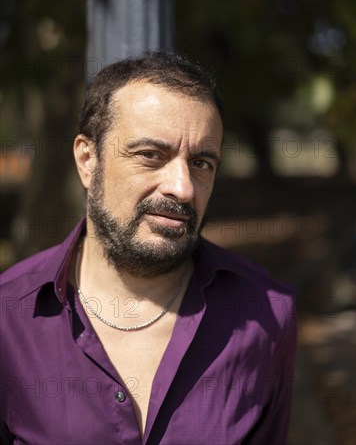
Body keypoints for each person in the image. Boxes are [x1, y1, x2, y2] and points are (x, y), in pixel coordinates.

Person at [0, 51, 297, 444]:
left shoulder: (266, 314)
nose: (183, 187)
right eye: (151, 156)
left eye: (202, 163)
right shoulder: (9, 320)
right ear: (88, 160)